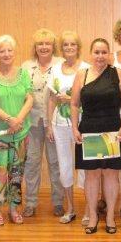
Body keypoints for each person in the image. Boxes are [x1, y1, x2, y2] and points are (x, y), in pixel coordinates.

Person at [71, 38, 121, 235]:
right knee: (91, 174)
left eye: (104, 52)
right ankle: (93, 217)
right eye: (96, 52)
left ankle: (111, 217)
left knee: (111, 174)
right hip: (88, 129)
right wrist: (74, 128)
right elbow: (73, 104)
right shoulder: (82, 74)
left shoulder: (117, 73)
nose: (100, 56)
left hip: (113, 129)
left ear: (109, 54)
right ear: (90, 54)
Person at [0, 35, 33, 226]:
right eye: (2, 51)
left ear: (15, 52)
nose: (6, 54)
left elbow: (29, 98)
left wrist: (18, 120)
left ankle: (13, 209)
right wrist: (8, 119)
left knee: (16, 173)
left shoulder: (23, 73)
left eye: (9, 50)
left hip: (20, 132)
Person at [47, 31, 89, 224]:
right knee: (64, 166)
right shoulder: (55, 69)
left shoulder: (88, 69)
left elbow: (92, 98)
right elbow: (51, 99)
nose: (69, 48)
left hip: (83, 123)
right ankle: (70, 208)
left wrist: (74, 100)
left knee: (86, 167)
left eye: (73, 44)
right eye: (66, 45)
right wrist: (48, 125)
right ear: (61, 48)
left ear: (78, 47)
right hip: (59, 124)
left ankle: (89, 210)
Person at [21, 28, 63, 218]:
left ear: (53, 46)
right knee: (32, 163)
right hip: (32, 122)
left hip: (55, 122)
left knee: (56, 163)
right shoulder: (26, 66)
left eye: (47, 43)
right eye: (40, 44)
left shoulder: (61, 64)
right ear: (35, 47)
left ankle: (58, 202)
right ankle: (30, 202)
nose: (44, 47)